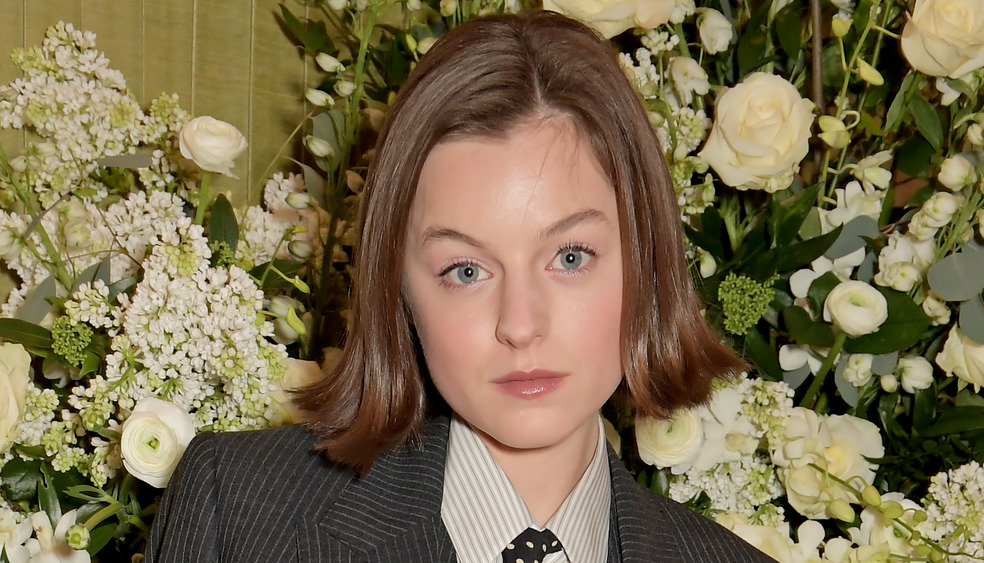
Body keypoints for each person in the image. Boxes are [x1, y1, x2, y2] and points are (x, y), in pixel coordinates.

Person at [145, 10, 774, 562]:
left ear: (647, 263)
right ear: (400, 291)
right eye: (466, 271)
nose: (521, 325)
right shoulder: (243, 514)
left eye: (571, 256)